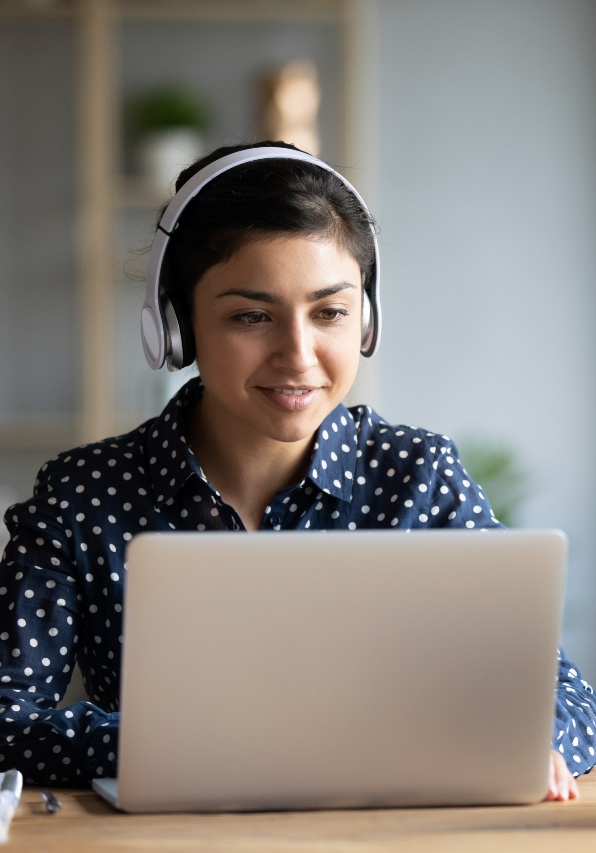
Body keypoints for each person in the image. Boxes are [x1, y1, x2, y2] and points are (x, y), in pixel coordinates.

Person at [0, 141, 594, 800]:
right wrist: (204, 741)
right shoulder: (84, 495)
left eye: (330, 311)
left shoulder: (418, 476)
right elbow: (7, 720)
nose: (298, 354)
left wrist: (531, 739)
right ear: (177, 324)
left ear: (365, 319)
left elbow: (567, 698)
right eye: (251, 315)